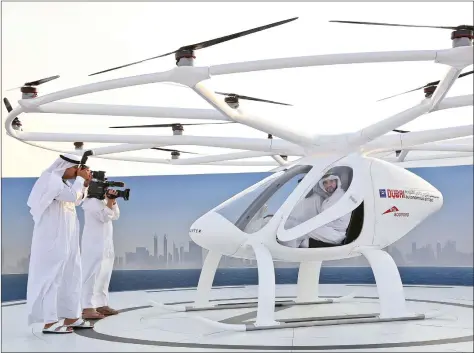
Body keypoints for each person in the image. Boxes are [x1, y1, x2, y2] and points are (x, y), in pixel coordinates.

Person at [26, 153, 94, 334]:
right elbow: (72, 197)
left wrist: (84, 184)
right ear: (64, 167)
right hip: (52, 238)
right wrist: (80, 180)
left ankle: (71, 315)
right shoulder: (50, 180)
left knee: (72, 273)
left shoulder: (62, 182)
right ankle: (50, 321)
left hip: (67, 236)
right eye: (75, 169)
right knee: (52, 276)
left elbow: (77, 199)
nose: (77, 172)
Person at [80, 189, 120, 320]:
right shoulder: (90, 202)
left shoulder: (104, 200)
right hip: (93, 244)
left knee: (104, 274)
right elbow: (104, 217)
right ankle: (87, 307)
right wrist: (109, 202)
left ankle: (101, 304)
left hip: (106, 244)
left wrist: (111, 201)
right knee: (91, 274)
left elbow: (115, 215)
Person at [283, 174, 351, 248]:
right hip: (329, 229)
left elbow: (326, 218)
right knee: (300, 228)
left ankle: (290, 249)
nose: (329, 185)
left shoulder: (339, 197)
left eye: (331, 181)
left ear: (337, 182)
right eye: (325, 183)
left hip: (336, 234)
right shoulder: (331, 196)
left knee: (300, 228)